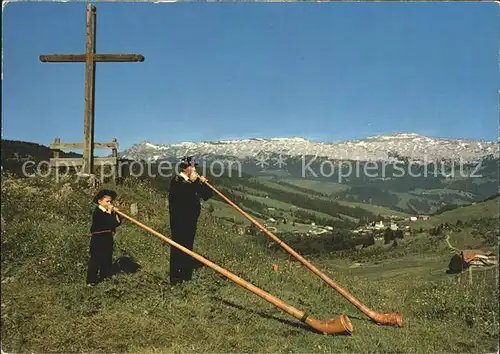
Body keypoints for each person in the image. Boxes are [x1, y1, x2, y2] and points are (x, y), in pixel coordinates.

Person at [167, 156, 213, 285]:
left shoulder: (194, 182)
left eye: (195, 166)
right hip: (179, 221)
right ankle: (175, 277)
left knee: (188, 246)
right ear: (185, 168)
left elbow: (207, 195)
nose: (194, 169)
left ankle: (186, 276)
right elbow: (183, 197)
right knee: (178, 247)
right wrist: (194, 183)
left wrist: (203, 183)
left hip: (191, 220)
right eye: (192, 166)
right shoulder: (176, 181)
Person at [86, 189, 122, 285]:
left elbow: (115, 224)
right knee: (95, 259)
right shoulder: (97, 212)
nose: (109, 203)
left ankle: (104, 277)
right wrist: (110, 212)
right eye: (107, 201)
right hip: (98, 238)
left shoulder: (109, 212)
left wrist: (117, 213)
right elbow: (107, 222)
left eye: (110, 201)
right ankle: (91, 280)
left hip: (107, 237)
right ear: (100, 201)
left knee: (107, 258)